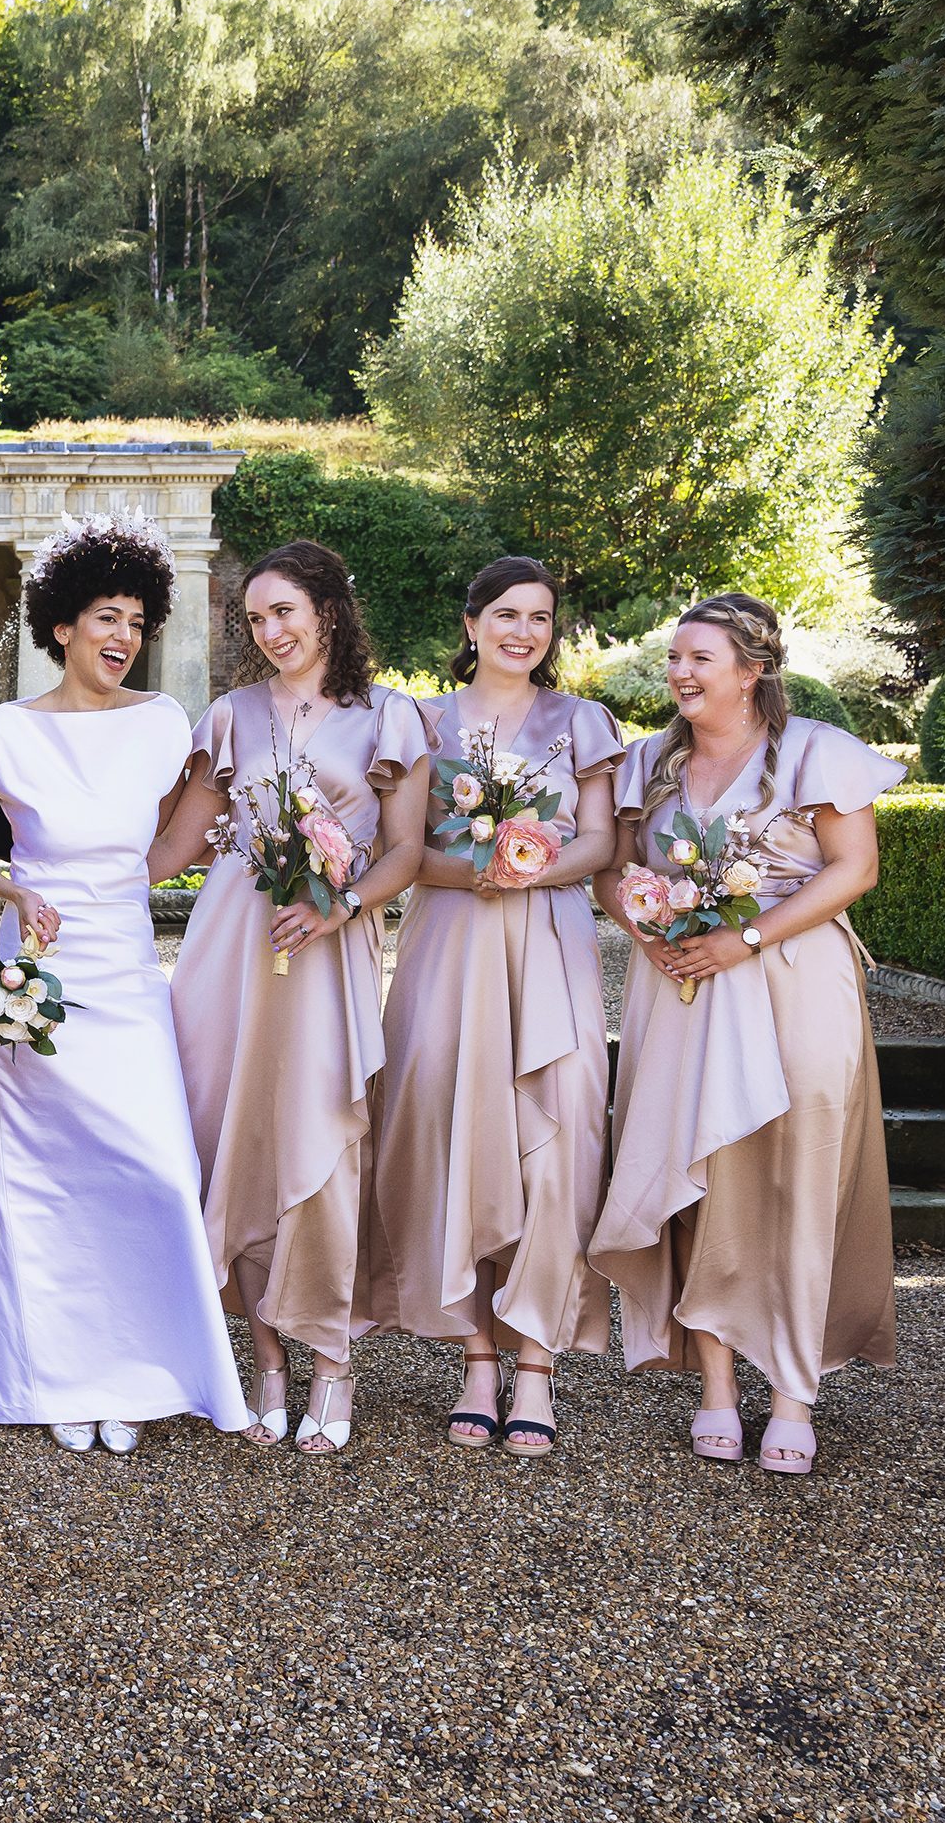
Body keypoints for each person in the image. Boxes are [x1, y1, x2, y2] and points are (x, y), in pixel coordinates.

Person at [0, 520, 249, 1453]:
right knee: (44, 1185)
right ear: (63, 626)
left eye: (138, 620)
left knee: (155, 1169)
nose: (124, 635)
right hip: (36, 982)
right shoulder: (9, 732)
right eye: (106, 616)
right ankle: (54, 1378)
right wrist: (17, 886)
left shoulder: (163, 725)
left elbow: (172, 840)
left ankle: (143, 1372)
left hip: (123, 971)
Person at [590, 592, 903, 1476]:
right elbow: (614, 869)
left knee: (801, 1165)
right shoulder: (647, 761)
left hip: (795, 980)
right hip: (682, 987)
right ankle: (717, 1388)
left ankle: (796, 1392)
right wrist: (645, 928)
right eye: (675, 659)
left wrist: (748, 936)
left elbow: (856, 867)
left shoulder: (816, 752)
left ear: (753, 670)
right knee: (700, 1170)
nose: (679, 674)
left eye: (699, 659)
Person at [150, 540, 428, 1456]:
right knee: (229, 1130)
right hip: (230, 944)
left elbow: (406, 852)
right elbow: (174, 851)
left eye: (286, 613)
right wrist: (47, 874)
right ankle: (265, 1358)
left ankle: (333, 1359)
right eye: (257, 618)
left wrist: (341, 906)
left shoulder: (390, 717)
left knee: (320, 1137)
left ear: (330, 613)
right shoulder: (228, 716)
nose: (271, 631)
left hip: (327, 946)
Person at [364, 558, 624, 1455]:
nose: (524, 631)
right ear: (470, 622)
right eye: (507, 614)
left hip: (549, 937)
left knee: (558, 1135)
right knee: (444, 1126)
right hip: (451, 938)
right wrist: (475, 867)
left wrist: (529, 867)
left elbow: (599, 842)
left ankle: (540, 1362)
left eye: (541, 618)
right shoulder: (421, 720)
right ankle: (476, 1352)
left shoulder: (583, 721)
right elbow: (400, 848)